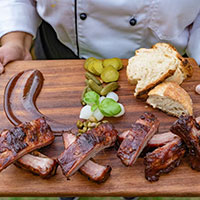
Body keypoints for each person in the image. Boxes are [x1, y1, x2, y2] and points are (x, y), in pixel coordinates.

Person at [0, 1, 200, 200]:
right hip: (62, 49)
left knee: (130, 176)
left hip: (162, 65)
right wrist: (15, 41)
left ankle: (129, 195)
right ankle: (70, 193)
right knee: (69, 178)